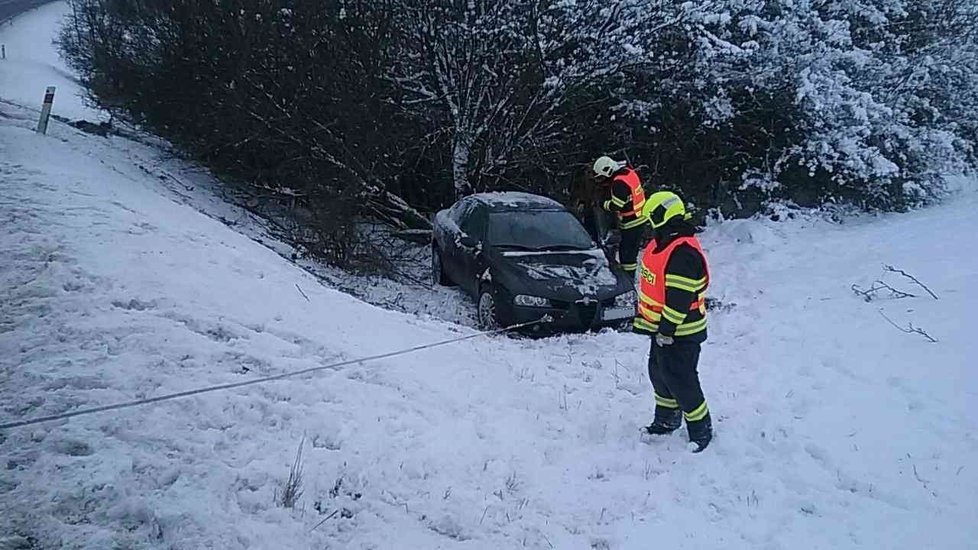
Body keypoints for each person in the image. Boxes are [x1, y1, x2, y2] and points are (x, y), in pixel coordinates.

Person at [633, 191, 713, 452]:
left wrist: (667, 330)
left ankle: (700, 429)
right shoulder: (663, 243)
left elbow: (679, 299)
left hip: (680, 331)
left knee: (681, 378)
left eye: (652, 218)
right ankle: (667, 419)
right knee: (659, 373)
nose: (649, 224)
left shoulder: (683, 253)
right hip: (661, 329)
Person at [592, 156, 647, 276]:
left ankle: (628, 278)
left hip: (631, 222)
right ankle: (628, 275)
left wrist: (602, 204)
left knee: (627, 255)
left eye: (602, 177)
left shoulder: (618, 182)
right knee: (630, 252)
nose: (602, 180)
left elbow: (616, 205)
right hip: (639, 217)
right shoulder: (628, 173)